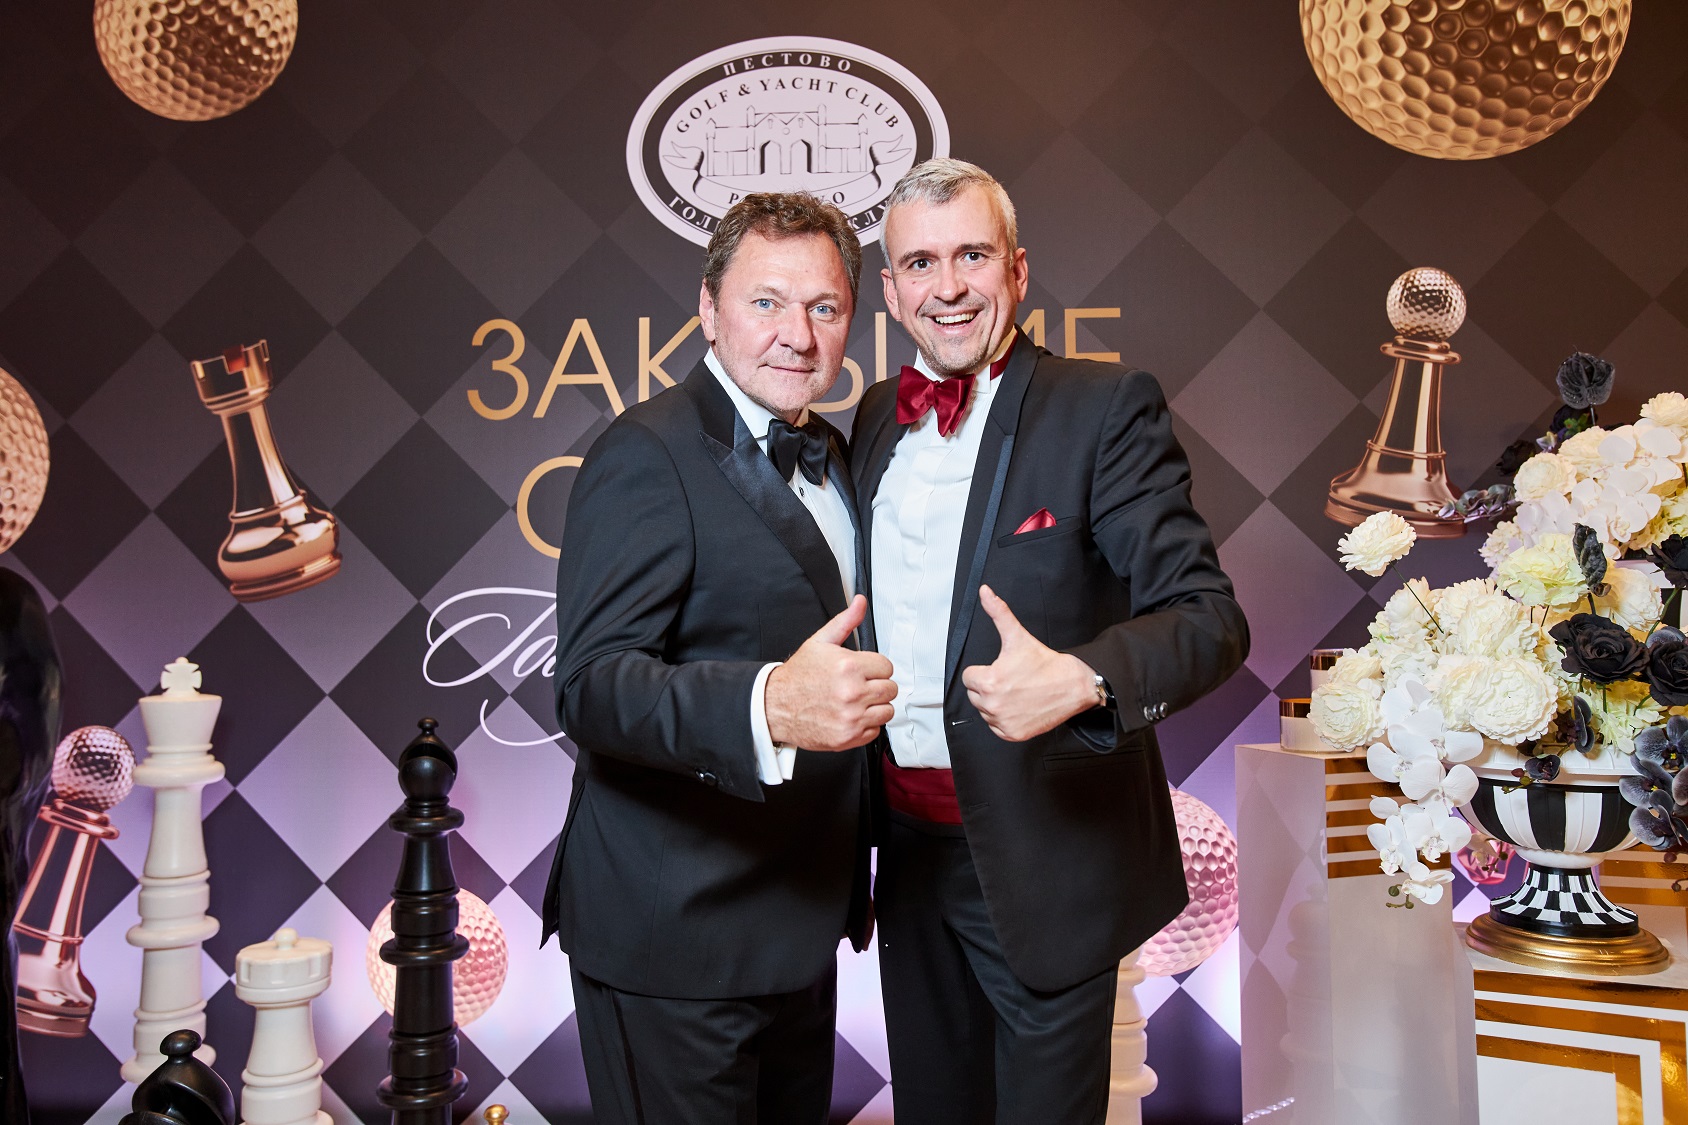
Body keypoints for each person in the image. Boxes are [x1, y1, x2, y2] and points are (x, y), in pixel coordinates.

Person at [851, 158, 1249, 1124]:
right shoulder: (870, 419)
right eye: (921, 263)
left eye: (973, 255)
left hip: (1046, 857)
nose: (948, 286)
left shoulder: (1104, 406)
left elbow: (1210, 618)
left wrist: (1080, 677)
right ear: (892, 291)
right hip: (905, 857)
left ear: (1018, 271)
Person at [541, 192, 895, 1125]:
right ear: (708, 308)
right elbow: (590, 686)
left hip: (798, 928)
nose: (798, 336)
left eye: (823, 307)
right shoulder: (644, 452)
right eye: (766, 302)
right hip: (674, 939)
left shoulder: (837, 451)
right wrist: (768, 705)